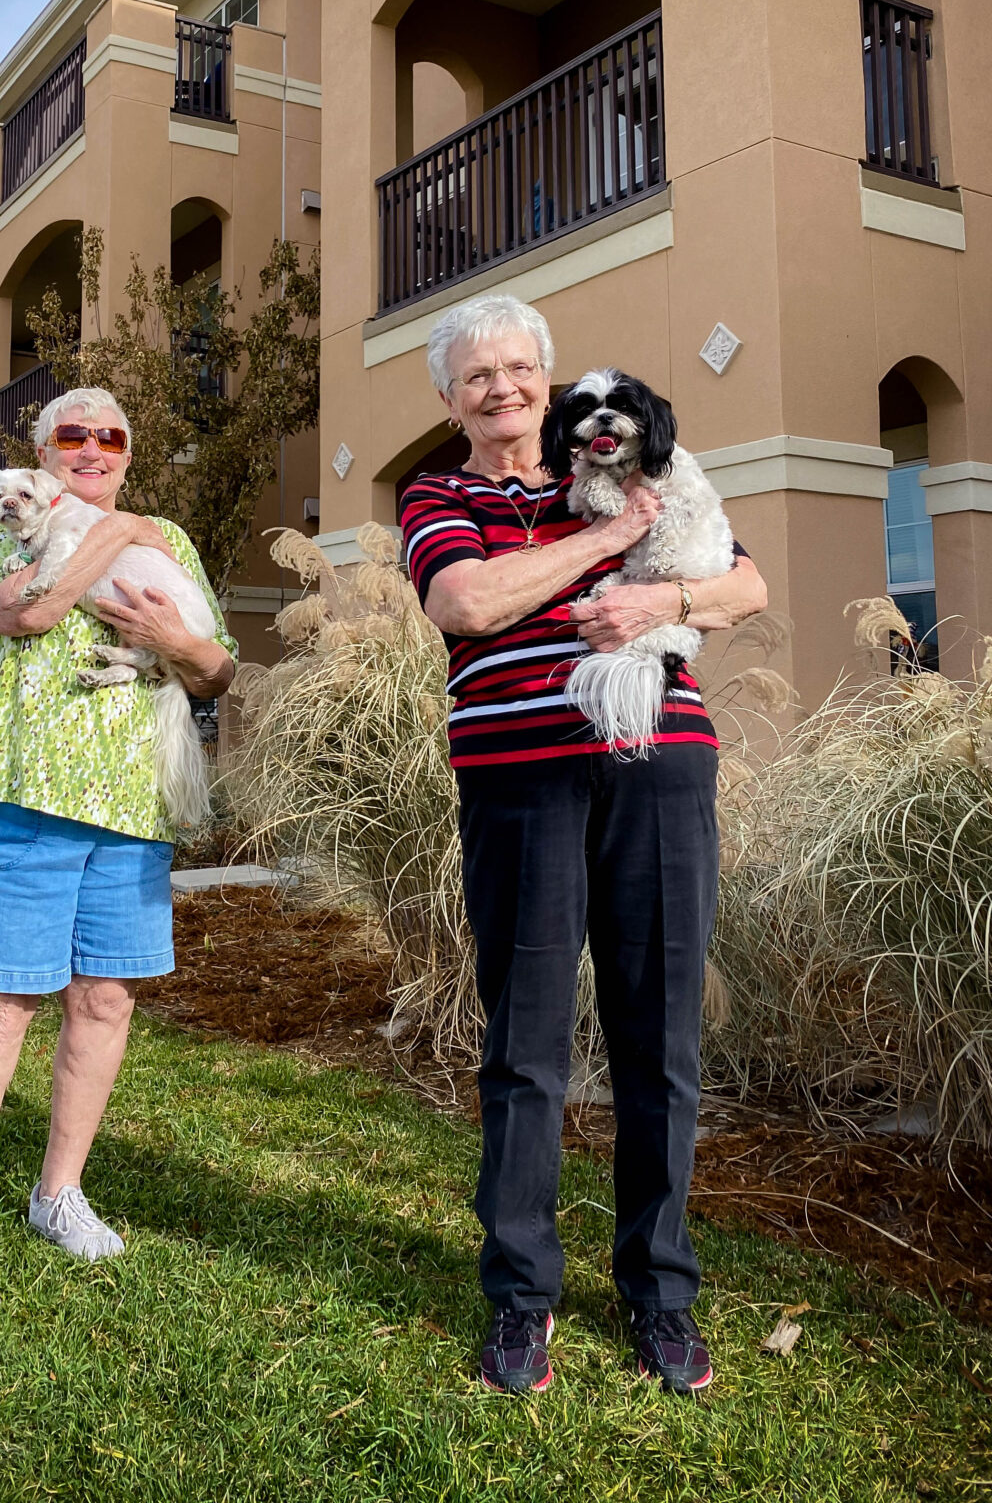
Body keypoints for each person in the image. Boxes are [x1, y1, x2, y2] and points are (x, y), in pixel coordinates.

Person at [398, 296, 767, 1396]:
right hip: (519, 784)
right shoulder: (441, 493)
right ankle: (521, 1297)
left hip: (661, 761)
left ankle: (661, 1297)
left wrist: (662, 593)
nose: (502, 389)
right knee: (526, 1043)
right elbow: (467, 603)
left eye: (520, 369)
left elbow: (742, 584)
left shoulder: (636, 451)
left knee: (660, 1035)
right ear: (450, 397)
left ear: (548, 379)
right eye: (477, 376)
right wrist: (608, 540)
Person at [0, 387, 237, 1314]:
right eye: (72, 437)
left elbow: (216, 665)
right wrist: (111, 532)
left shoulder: (170, 534)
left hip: (132, 803)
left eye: (112, 437)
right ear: (42, 454)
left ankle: (58, 1194)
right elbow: (29, 613)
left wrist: (173, 639)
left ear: (129, 450)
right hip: (22, 791)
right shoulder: (8, 525)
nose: (93, 449)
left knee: (103, 999)